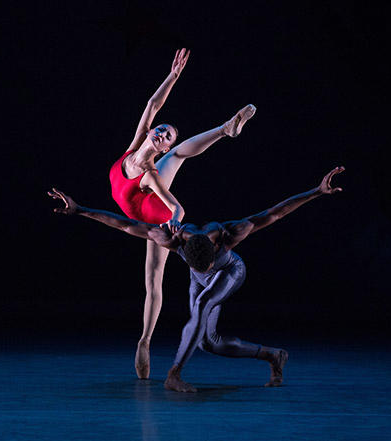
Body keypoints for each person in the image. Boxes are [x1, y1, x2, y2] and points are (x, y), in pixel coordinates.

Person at [49, 165, 344, 392]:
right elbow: (124, 225)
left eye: (204, 265)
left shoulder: (231, 233)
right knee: (209, 343)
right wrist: (80, 210)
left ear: (217, 246)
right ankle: (273, 356)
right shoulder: (173, 237)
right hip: (201, 281)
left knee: (202, 304)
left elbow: (276, 213)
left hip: (231, 272)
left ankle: (174, 374)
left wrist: (316, 192)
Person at [108, 48, 256, 378]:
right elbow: (152, 106)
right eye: (161, 130)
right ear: (150, 133)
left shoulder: (149, 172)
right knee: (150, 282)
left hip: (154, 213)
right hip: (142, 204)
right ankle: (224, 130)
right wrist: (172, 77)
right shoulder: (134, 148)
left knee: (153, 281)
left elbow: (176, 206)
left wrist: (172, 223)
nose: (162, 134)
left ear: (159, 146)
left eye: (167, 136)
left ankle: (144, 342)